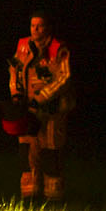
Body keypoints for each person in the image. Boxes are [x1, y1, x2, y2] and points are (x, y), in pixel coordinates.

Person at [9, 11, 72, 200]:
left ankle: (53, 200)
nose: (35, 30)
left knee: (50, 152)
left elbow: (64, 78)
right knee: (27, 153)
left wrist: (42, 97)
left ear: (48, 28)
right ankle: (29, 197)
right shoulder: (23, 46)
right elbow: (14, 70)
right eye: (32, 25)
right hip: (27, 110)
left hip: (52, 111)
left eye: (40, 25)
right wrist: (16, 95)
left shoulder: (58, 48)